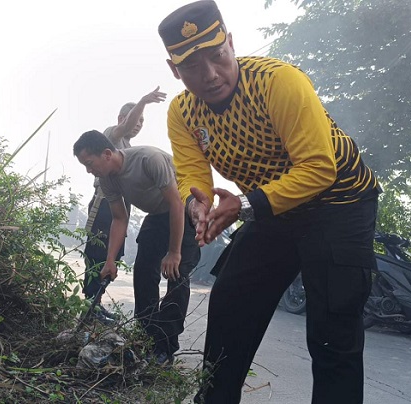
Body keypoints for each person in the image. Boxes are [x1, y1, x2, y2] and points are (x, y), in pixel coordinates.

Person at [158, 1, 380, 403]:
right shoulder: (182, 112)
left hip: (340, 202)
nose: (209, 75)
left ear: (230, 42)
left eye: (217, 56)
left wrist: (242, 206)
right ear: (175, 70)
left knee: (333, 329)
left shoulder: (278, 82)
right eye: (191, 66)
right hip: (274, 205)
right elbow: (192, 173)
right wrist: (200, 204)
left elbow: (317, 169)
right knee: (230, 305)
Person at [74, 130, 200, 365]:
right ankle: (146, 338)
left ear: (107, 154)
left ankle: (165, 347)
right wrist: (110, 260)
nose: (89, 171)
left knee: (177, 276)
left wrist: (174, 252)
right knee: (143, 272)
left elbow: (176, 203)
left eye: (90, 164)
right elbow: (119, 218)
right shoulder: (107, 179)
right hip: (156, 215)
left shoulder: (148, 159)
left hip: (182, 212)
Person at [83, 87, 166, 322]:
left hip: (121, 207)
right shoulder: (111, 136)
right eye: (135, 119)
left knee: (113, 254)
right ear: (122, 118)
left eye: (142, 121)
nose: (138, 124)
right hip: (104, 205)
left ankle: (95, 303)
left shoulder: (129, 149)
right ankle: (90, 305)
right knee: (97, 253)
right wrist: (143, 102)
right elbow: (125, 128)